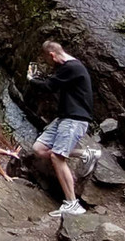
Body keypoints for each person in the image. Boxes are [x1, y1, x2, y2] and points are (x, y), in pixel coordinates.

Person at [28, 40, 101, 217]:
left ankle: (71, 203)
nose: (49, 64)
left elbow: (49, 86)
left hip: (74, 119)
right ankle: (85, 154)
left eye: (47, 60)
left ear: (52, 55)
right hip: (65, 117)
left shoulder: (72, 67)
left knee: (57, 157)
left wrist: (31, 79)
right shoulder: (69, 68)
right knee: (38, 149)